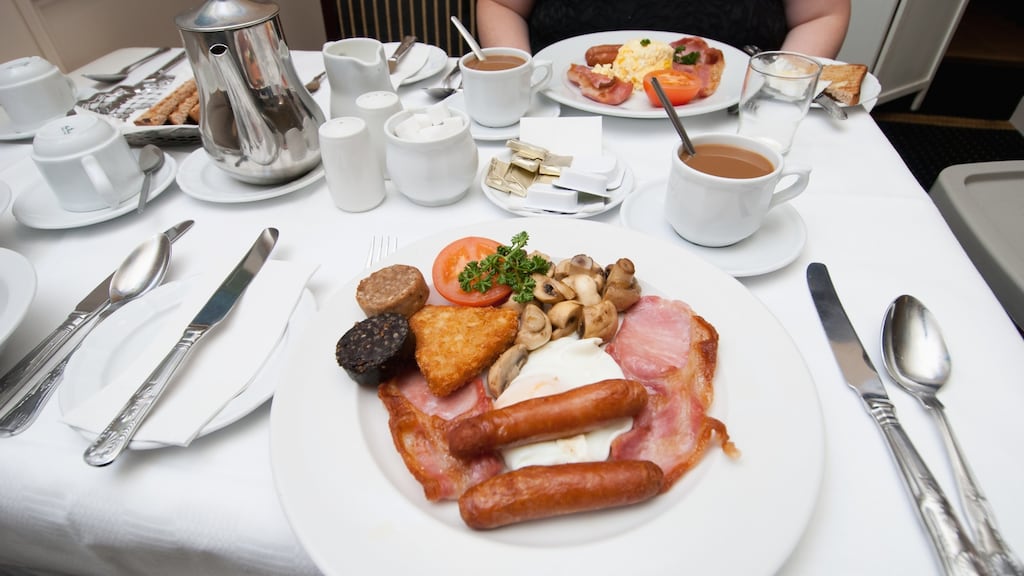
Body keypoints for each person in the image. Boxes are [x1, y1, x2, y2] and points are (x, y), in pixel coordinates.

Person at [476, 0, 850, 59]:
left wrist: (779, 96)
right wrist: (518, 83)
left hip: (739, 117)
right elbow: (502, 4)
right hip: (560, 115)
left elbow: (820, 13)